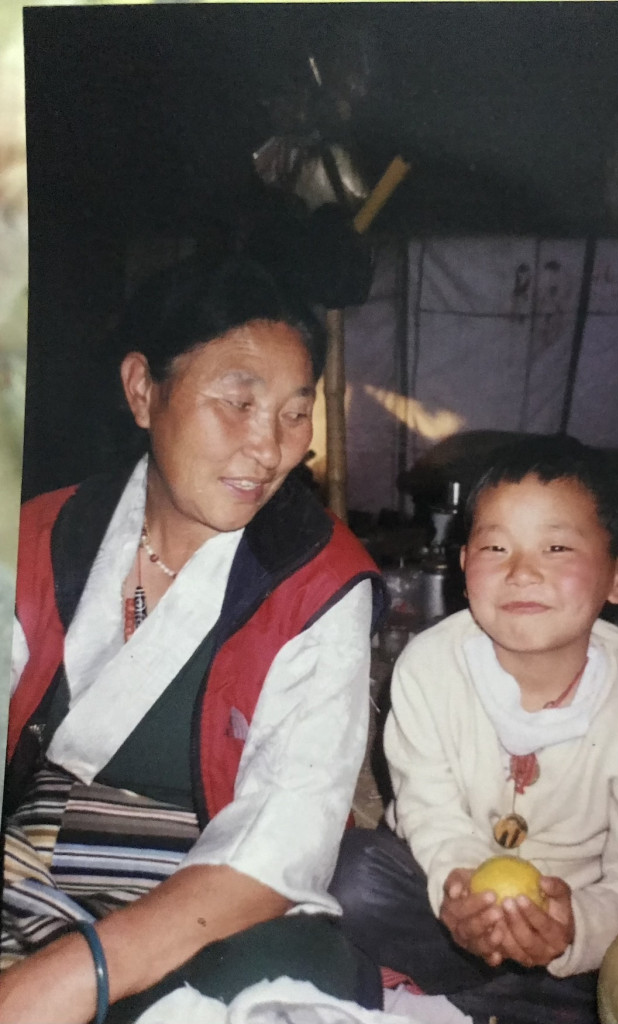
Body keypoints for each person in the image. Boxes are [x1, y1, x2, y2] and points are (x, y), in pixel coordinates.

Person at [0, 256, 386, 1023]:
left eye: (293, 412)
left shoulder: (319, 579)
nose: (270, 449)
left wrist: (79, 973)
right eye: (237, 403)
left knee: (292, 980)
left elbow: (285, 835)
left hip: (205, 907)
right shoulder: (43, 535)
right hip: (23, 874)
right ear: (143, 390)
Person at [330, 434, 618, 1024]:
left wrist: (574, 928)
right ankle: (496, 994)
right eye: (496, 547)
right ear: (462, 566)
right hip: (448, 903)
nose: (522, 571)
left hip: (574, 935)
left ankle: (497, 996)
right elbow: (430, 810)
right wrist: (460, 895)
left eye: (556, 547)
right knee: (350, 875)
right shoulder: (427, 667)